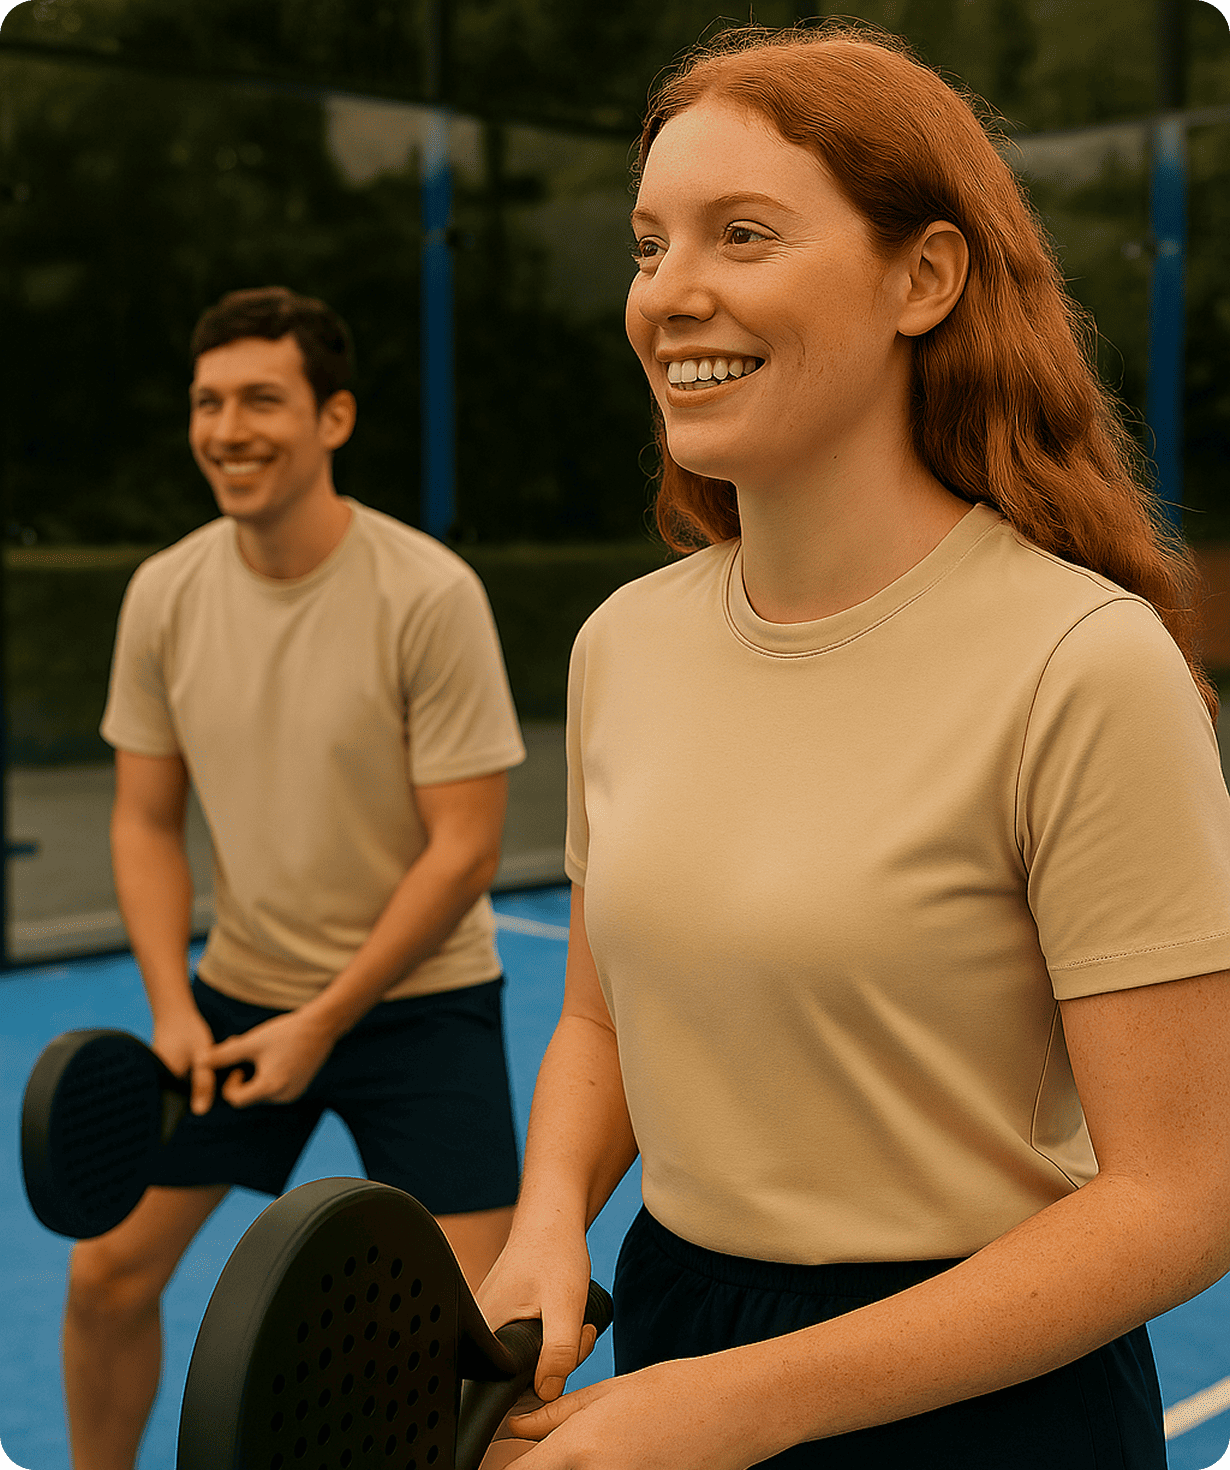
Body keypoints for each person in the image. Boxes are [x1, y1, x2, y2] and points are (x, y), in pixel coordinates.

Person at [475, 22, 1230, 1470]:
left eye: (740, 234)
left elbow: (1182, 1196)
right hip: (675, 1334)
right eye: (647, 245)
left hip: (988, 1403)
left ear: (923, 278)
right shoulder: (622, 642)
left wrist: (733, 1402)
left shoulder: (1080, 662)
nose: (668, 294)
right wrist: (547, 1222)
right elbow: (599, 1017)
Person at [63, 286, 527, 1470]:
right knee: (108, 1273)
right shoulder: (164, 594)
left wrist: (325, 1020)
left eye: (262, 399)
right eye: (208, 402)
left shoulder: (428, 595)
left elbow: (465, 847)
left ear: (333, 418)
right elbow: (144, 821)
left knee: (482, 1349)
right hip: (237, 1000)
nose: (229, 427)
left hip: (421, 1012)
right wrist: (172, 1004)